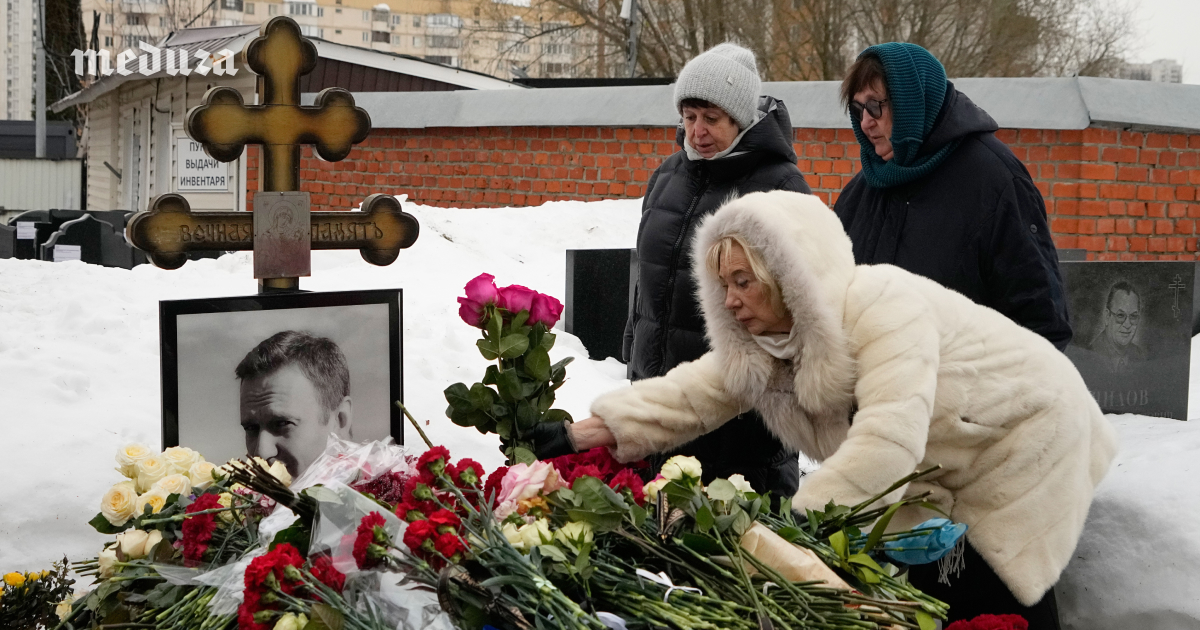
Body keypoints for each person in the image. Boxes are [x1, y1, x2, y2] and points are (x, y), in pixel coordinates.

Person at [567, 191, 1117, 629]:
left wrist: (799, 526)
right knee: (921, 593)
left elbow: (889, 438)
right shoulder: (769, 341)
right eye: (723, 285)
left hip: (1025, 435)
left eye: (743, 281)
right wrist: (581, 435)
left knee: (989, 596)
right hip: (942, 460)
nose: (730, 300)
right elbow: (690, 395)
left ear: (786, 277)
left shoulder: (883, 307)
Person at [531, 42, 812, 499]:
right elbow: (648, 277)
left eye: (712, 118)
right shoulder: (667, 176)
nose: (697, 131)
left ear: (740, 119)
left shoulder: (780, 188)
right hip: (657, 401)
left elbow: (796, 313)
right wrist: (634, 356)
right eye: (689, 116)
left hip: (739, 423)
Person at [834, 43, 1072, 351]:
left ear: (912, 101)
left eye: (875, 106)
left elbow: (1041, 324)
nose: (866, 122)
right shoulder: (862, 190)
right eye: (858, 109)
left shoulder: (995, 182)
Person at [236, 330, 354, 478]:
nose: (261, 453)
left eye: (282, 424)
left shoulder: (379, 488)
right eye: (251, 428)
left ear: (340, 420)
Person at [1089, 281, 1147, 373]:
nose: (1127, 324)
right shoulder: (1089, 355)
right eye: (1120, 315)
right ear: (1107, 317)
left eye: (1133, 316)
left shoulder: (1140, 356)